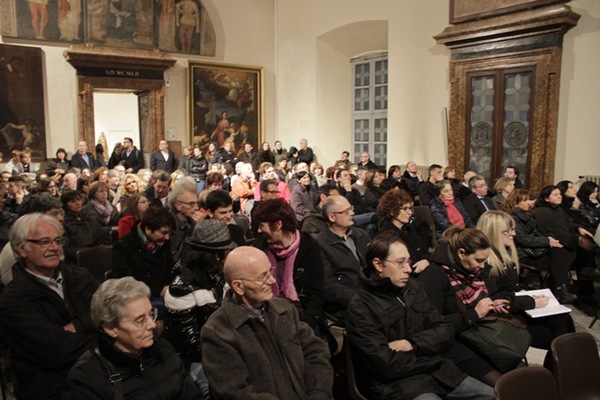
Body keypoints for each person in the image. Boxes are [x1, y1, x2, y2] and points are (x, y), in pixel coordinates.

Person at [346, 232, 495, 400]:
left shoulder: (412, 288)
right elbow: (386, 365)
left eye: (408, 262)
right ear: (378, 264)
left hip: (441, 374)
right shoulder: (361, 306)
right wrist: (429, 354)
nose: (408, 269)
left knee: (495, 395)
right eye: (400, 263)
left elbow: (445, 330)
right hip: (399, 385)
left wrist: (412, 344)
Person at [200, 246, 334, 399]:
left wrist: (319, 393)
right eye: (263, 276)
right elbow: (235, 393)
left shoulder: (284, 309)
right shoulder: (217, 332)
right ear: (238, 286)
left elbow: (315, 353)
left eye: (270, 271)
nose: (272, 280)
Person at [0, 214, 98, 399]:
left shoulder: (80, 277)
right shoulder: (13, 299)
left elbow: (114, 312)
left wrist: (79, 325)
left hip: (99, 373)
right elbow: (57, 352)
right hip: (52, 387)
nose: (54, 248)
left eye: (58, 241)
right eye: (44, 242)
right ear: (21, 249)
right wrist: (109, 338)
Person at [64, 277, 202, 399]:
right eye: (140, 320)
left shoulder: (163, 350)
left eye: (151, 314)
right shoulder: (87, 378)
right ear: (111, 329)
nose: (152, 325)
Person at [476, 210, 575, 370]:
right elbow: (494, 300)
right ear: (494, 232)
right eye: (508, 231)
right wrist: (530, 301)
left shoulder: (505, 252)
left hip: (516, 306)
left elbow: (511, 286)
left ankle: (561, 372)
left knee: (564, 319)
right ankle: (561, 372)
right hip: (502, 318)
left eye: (513, 229)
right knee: (560, 335)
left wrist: (525, 292)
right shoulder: (485, 262)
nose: (514, 234)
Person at [417, 227, 505, 386]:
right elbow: (431, 323)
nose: (483, 265)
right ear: (462, 253)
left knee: (521, 374)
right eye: (479, 260)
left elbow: (491, 294)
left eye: (485, 260)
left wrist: (493, 303)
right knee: (502, 385)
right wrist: (474, 314)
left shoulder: (474, 270)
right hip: (451, 342)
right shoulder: (434, 275)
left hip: (478, 333)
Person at [252, 199, 325, 331]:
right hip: (266, 314)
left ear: (278, 225)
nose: (259, 230)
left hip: (301, 315)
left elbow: (316, 292)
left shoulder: (309, 247)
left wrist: (306, 325)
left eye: (262, 225)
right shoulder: (259, 247)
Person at [500, 189, 577, 303]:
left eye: (530, 199)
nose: (530, 202)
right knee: (559, 259)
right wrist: (547, 241)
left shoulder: (528, 215)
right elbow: (522, 239)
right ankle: (561, 290)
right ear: (516, 203)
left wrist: (550, 239)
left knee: (562, 251)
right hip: (523, 252)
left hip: (532, 248)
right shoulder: (513, 218)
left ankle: (560, 289)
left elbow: (535, 234)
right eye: (525, 200)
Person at [112, 206, 177, 332]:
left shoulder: (164, 243)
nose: (167, 237)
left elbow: (170, 270)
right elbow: (126, 282)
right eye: (164, 233)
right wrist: (158, 290)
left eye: (169, 233)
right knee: (157, 318)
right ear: (148, 229)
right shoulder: (123, 247)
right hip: (138, 297)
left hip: (165, 293)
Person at [532, 185, 599, 295]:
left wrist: (578, 228)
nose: (559, 196)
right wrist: (576, 239)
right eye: (555, 195)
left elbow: (568, 225)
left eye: (560, 194)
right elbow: (554, 232)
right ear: (546, 198)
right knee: (566, 251)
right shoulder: (540, 212)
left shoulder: (559, 210)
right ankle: (562, 289)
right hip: (551, 243)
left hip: (565, 239)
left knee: (585, 248)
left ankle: (586, 287)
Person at [317, 195, 370, 322]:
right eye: (346, 211)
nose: (352, 213)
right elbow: (328, 286)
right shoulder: (321, 245)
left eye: (351, 208)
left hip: (369, 294)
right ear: (332, 217)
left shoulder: (361, 235)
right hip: (346, 305)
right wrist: (358, 299)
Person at [378, 187, 432, 272]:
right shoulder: (387, 236)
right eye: (405, 209)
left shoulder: (409, 228)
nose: (410, 213)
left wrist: (426, 260)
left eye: (410, 208)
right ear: (392, 211)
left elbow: (424, 251)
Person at [61, 190, 112, 262]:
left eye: (79, 200)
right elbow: (66, 248)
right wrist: (86, 252)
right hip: (77, 258)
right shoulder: (64, 222)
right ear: (66, 205)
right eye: (72, 201)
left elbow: (99, 235)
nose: (77, 203)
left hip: (95, 254)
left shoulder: (89, 217)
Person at [168, 185, 205, 261]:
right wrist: (196, 227)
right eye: (191, 204)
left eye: (196, 203)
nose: (196, 208)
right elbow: (175, 253)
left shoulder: (192, 222)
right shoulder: (168, 224)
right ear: (178, 206)